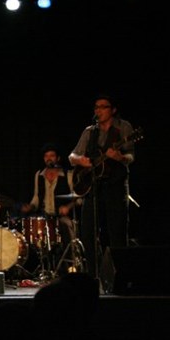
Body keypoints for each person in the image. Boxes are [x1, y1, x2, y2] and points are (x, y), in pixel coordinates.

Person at [68, 94, 135, 287]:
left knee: (117, 233)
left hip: (115, 186)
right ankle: (93, 277)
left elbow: (131, 156)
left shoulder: (124, 128)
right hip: (93, 187)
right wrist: (80, 160)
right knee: (87, 232)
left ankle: (120, 278)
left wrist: (120, 157)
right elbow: (72, 156)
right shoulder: (90, 131)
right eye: (96, 107)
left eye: (103, 107)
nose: (98, 110)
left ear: (113, 109)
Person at [19, 142, 81, 276]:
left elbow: (79, 198)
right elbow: (36, 197)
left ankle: (71, 265)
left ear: (58, 158)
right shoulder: (39, 175)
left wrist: (68, 207)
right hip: (45, 215)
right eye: (46, 156)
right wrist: (30, 206)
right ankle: (44, 268)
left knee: (66, 225)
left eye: (52, 156)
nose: (49, 158)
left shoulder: (68, 174)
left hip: (62, 216)